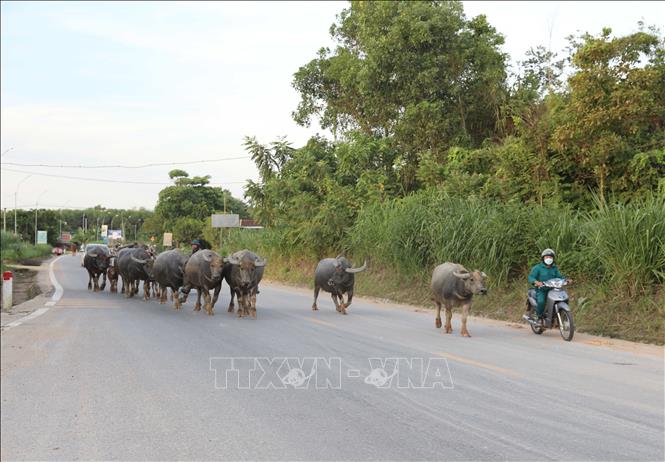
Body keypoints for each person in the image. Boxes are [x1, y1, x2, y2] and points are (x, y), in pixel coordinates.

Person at [527, 249, 570, 323]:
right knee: (541, 301)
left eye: (550, 257)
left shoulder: (554, 268)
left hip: (553, 289)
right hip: (541, 290)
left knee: (564, 298)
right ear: (543, 258)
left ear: (553, 259)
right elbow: (531, 277)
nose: (548, 259)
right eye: (546, 257)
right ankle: (539, 317)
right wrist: (536, 282)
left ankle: (561, 317)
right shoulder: (538, 268)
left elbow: (559, 277)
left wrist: (566, 280)